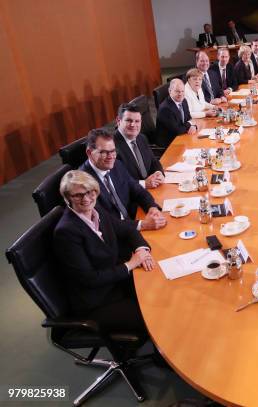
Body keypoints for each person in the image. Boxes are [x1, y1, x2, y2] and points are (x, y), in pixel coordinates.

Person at [53, 170, 154, 334]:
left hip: (115, 282)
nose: (86, 199)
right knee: (152, 315)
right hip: (97, 301)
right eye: (77, 195)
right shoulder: (66, 232)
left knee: (159, 288)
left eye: (89, 192)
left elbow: (126, 229)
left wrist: (141, 249)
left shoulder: (96, 210)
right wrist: (130, 264)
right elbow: (90, 279)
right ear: (67, 198)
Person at [80, 128, 166, 231]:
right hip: (114, 235)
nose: (111, 157)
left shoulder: (117, 165)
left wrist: (152, 207)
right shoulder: (82, 184)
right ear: (89, 153)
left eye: (113, 151)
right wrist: (142, 225)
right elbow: (104, 222)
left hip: (131, 221)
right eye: (104, 152)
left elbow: (137, 189)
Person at [113, 103, 164, 189]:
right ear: (118, 121)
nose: (133, 125)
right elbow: (117, 181)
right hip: (131, 196)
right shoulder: (111, 147)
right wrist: (144, 184)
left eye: (137, 121)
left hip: (151, 188)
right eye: (128, 120)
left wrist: (158, 172)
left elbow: (153, 161)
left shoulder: (141, 138)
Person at [156, 79, 197, 148]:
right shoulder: (165, 109)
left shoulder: (183, 101)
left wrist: (194, 126)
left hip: (181, 137)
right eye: (177, 91)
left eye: (182, 91)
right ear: (170, 91)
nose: (180, 94)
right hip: (170, 144)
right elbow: (177, 130)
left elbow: (189, 118)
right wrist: (190, 124)